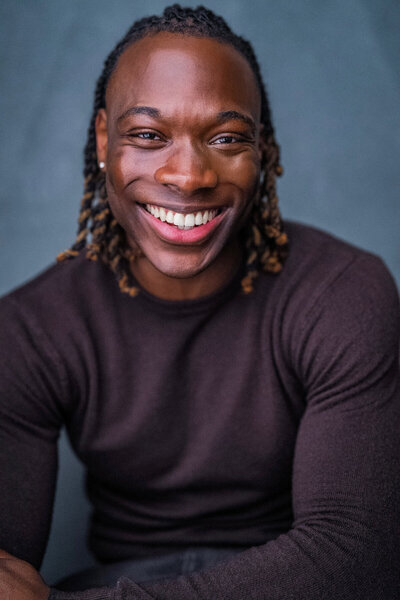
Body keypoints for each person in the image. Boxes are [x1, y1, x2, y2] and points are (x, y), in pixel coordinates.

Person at [0, 4, 399, 599]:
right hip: (115, 579)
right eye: (148, 135)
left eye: (227, 138)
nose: (188, 176)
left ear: (262, 150)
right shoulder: (30, 329)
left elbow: (356, 553)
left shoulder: (342, 292)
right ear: (105, 139)